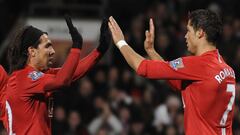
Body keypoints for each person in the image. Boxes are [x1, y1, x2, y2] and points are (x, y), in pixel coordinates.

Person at [108, 9, 236, 135]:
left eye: (188, 31)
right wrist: (152, 52)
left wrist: (121, 42)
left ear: (200, 33)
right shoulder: (226, 69)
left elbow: (143, 68)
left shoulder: (198, 65)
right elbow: (176, 82)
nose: (185, 36)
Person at [3, 15, 111, 135]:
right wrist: (76, 47)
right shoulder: (23, 78)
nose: (53, 51)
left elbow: (72, 73)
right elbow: (62, 80)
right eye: (47, 46)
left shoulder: (39, 75)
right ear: (32, 51)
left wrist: (100, 50)